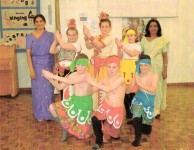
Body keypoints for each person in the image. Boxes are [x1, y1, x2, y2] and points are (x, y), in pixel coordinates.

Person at [42, 53, 94, 141]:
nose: (80, 67)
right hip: (74, 100)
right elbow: (59, 87)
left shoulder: (87, 76)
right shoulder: (72, 75)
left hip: (85, 104)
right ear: (75, 64)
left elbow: (71, 81)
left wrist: (52, 75)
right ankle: (64, 129)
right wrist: (49, 79)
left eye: (83, 65)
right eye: (78, 64)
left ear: (86, 66)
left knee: (82, 135)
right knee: (52, 107)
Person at [85, 55, 125, 149]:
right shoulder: (104, 79)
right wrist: (88, 81)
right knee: (95, 118)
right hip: (106, 105)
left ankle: (105, 127)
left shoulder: (120, 79)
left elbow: (108, 89)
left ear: (118, 68)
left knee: (115, 136)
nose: (111, 70)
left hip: (117, 109)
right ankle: (98, 140)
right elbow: (91, 92)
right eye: (109, 67)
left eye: (114, 67)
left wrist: (92, 82)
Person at [26, 14, 55, 121]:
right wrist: (31, 69)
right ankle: (39, 114)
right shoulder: (30, 36)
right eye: (37, 21)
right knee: (38, 89)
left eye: (41, 21)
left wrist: (56, 66)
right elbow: (28, 54)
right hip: (36, 65)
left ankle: (49, 113)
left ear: (45, 22)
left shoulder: (50, 36)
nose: (39, 23)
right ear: (34, 23)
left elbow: (54, 52)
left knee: (48, 89)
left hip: (48, 64)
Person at [83, 11, 114, 109]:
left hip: (104, 66)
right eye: (102, 27)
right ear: (100, 27)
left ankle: (102, 110)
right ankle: (93, 108)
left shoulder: (110, 38)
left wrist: (89, 35)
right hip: (94, 64)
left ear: (110, 28)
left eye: (107, 27)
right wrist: (86, 38)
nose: (104, 29)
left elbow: (100, 45)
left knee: (102, 88)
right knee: (92, 85)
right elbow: (88, 47)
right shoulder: (97, 37)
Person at [126, 54, 158, 147]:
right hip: (139, 98)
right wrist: (134, 81)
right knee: (137, 117)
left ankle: (140, 121)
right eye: (141, 65)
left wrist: (139, 83)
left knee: (147, 131)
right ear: (138, 65)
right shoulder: (137, 75)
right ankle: (137, 138)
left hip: (149, 101)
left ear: (150, 66)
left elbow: (152, 89)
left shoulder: (154, 75)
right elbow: (128, 91)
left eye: (145, 65)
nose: (143, 67)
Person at [140, 19, 170, 119]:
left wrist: (165, 70)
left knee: (157, 87)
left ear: (158, 28)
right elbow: (141, 54)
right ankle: (147, 107)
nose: (153, 28)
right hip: (145, 67)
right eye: (151, 26)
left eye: (155, 26)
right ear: (148, 28)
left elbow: (165, 56)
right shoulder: (144, 39)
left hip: (158, 67)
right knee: (146, 86)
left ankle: (156, 110)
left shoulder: (162, 40)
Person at [50, 18, 82, 100]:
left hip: (71, 71)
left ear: (77, 36)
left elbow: (65, 47)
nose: (72, 37)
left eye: (74, 35)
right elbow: (52, 51)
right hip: (61, 71)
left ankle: (72, 110)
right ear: (67, 35)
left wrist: (59, 38)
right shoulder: (63, 44)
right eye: (69, 35)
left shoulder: (76, 45)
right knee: (63, 93)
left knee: (70, 93)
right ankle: (65, 110)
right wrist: (56, 40)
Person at [115, 29, 141, 122]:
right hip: (124, 70)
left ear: (135, 36)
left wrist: (121, 45)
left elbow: (131, 54)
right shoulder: (123, 45)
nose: (130, 37)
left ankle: (135, 113)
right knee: (125, 93)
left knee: (133, 92)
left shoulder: (138, 46)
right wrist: (119, 48)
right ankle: (128, 114)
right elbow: (119, 57)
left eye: (132, 35)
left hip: (133, 70)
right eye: (128, 35)